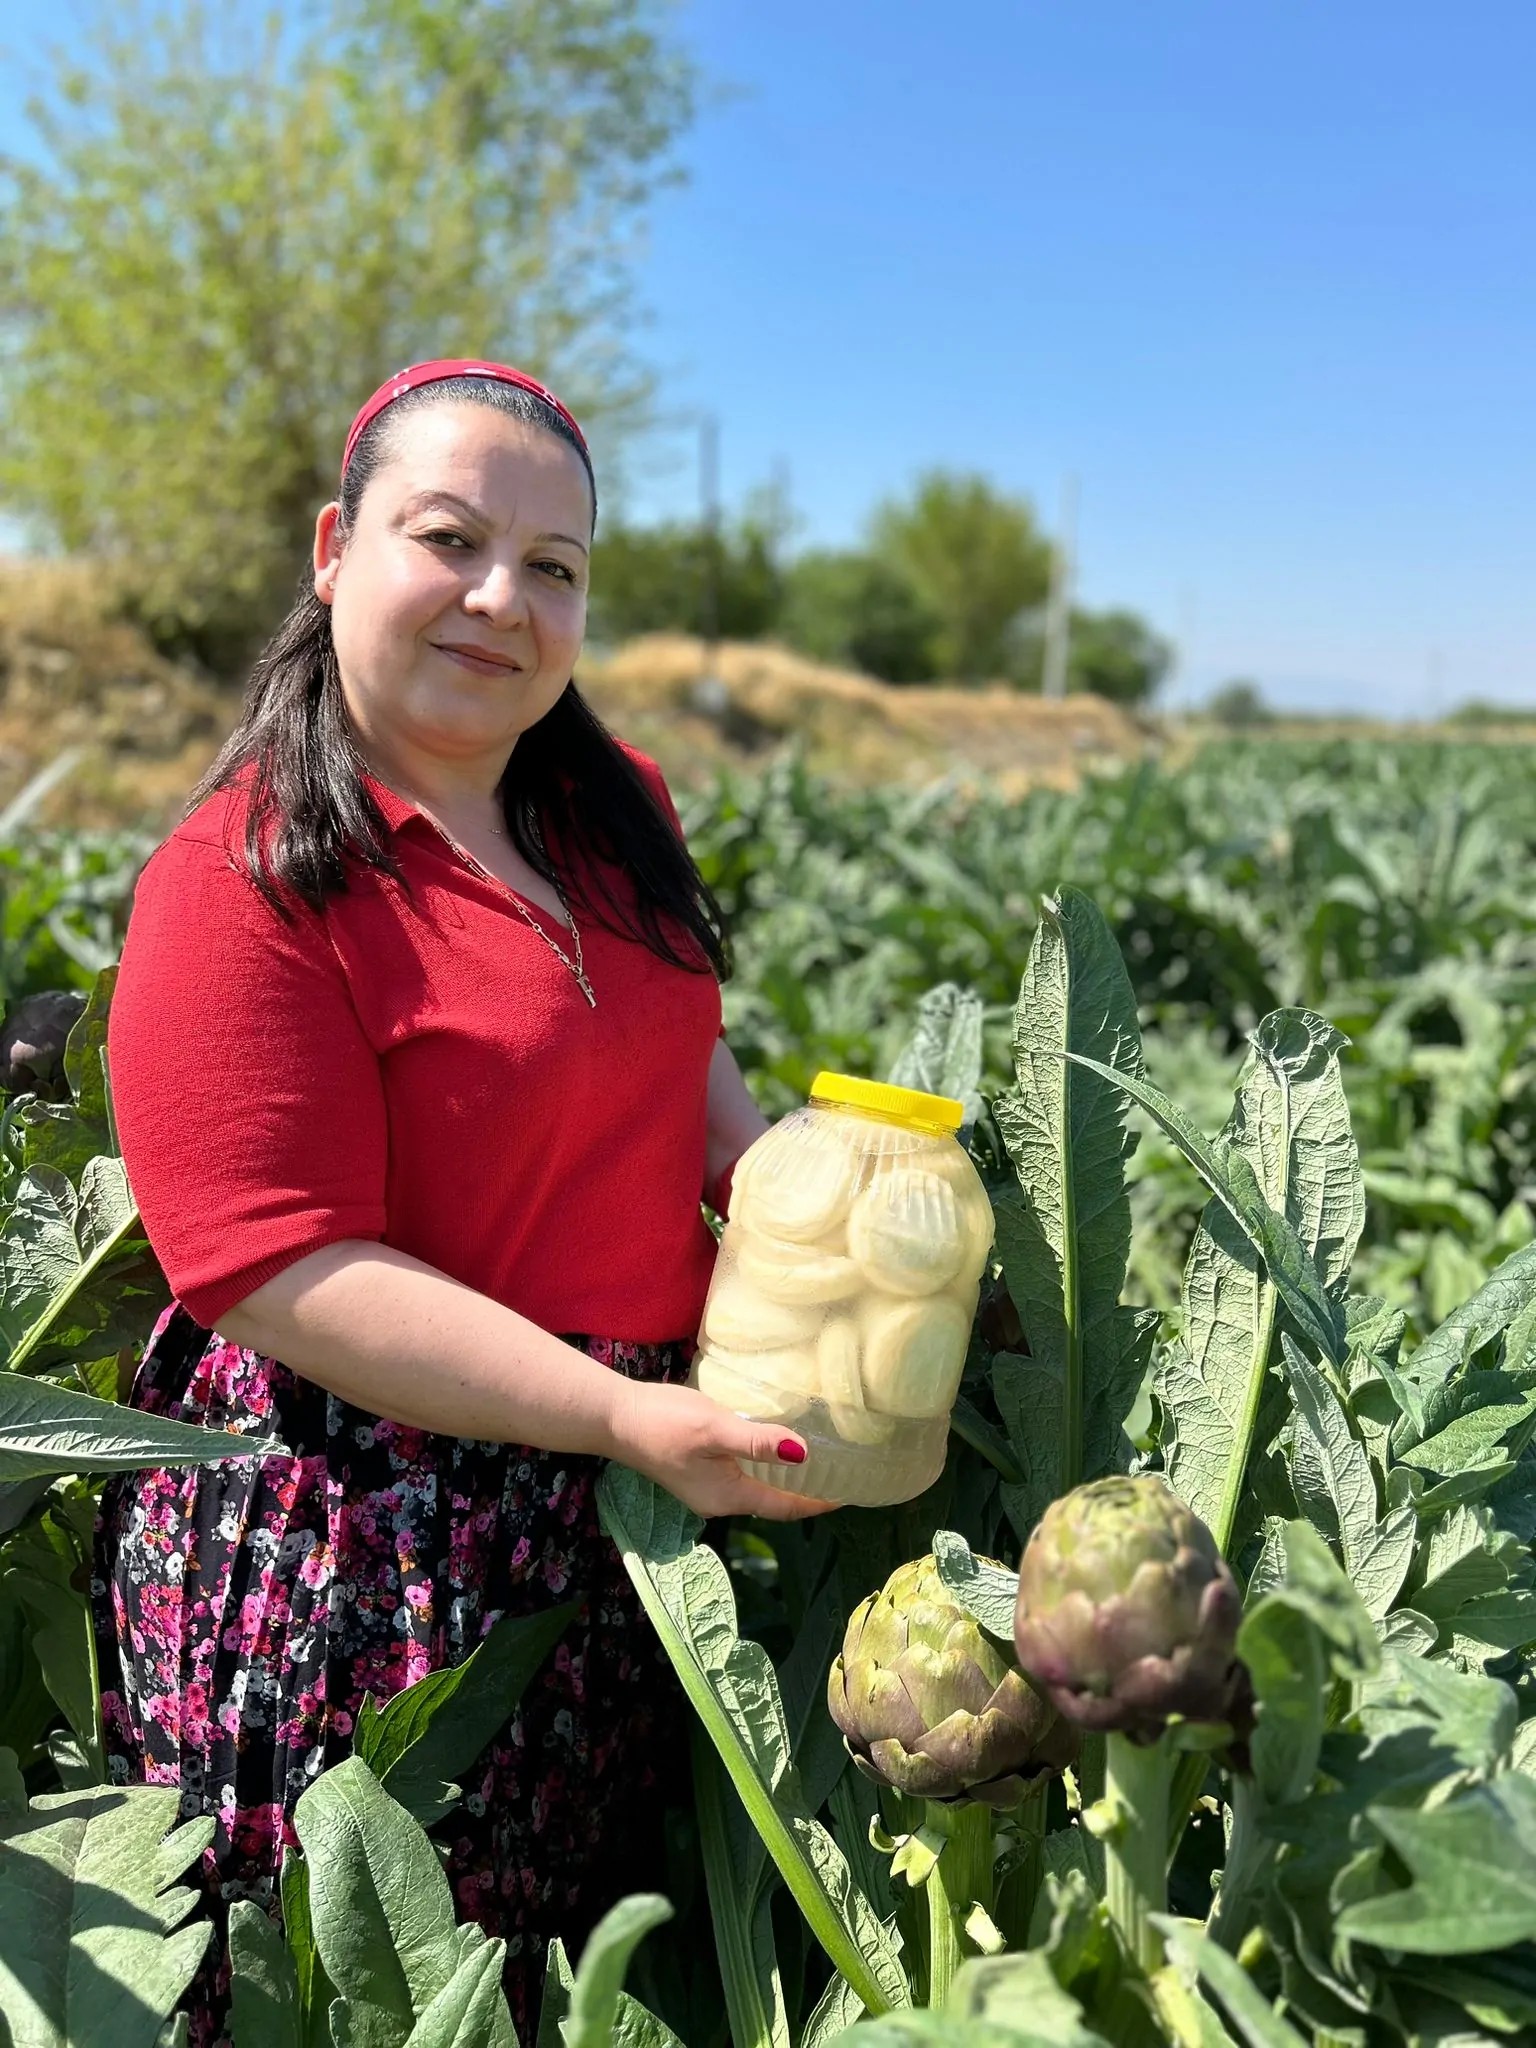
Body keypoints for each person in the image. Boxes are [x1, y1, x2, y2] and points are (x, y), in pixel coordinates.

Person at [91, 358, 834, 2046]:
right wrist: (614, 1419)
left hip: (610, 1511)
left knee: (557, 1972)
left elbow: (672, 1037)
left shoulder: (606, 801)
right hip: (366, 1547)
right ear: (336, 547)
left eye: (556, 566)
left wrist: (794, 1198)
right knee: (372, 1993)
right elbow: (276, 1270)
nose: (506, 598)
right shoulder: (245, 878)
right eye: (453, 539)